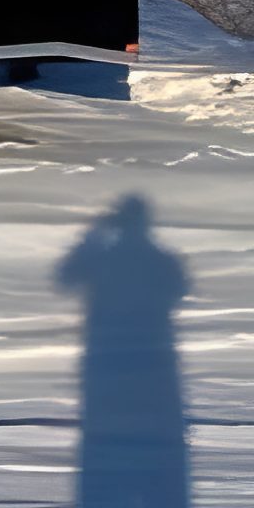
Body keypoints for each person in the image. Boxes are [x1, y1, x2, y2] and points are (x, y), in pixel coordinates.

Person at [55, 194, 190, 507]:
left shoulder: (105, 258)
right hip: (153, 372)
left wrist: (93, 234)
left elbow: (66, 275)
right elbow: (180, 288)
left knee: (104, 473)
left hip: (108, 370)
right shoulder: (160, 259)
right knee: (161, 477)